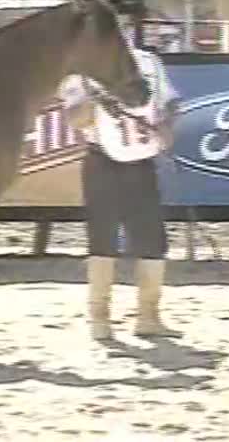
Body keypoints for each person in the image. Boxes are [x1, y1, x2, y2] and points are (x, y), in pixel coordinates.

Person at [59, 44, 182, 341]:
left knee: (153, 238)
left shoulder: (148, 62)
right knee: (102, 239)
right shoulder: (81, 68)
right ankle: (100, 319)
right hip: (102, 160)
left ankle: (148, 317)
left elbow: (170, 103)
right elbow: (75, 118)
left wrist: (166, 125)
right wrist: (97, 98)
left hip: (141, 160)